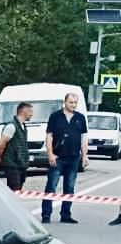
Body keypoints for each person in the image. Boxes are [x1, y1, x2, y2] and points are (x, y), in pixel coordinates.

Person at [42, 91, 87, 225]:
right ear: (65, 102)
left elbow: (84, 138)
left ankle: (66, 215)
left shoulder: (80, 117)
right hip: (57, 157)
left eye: (75, 103)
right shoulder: (55, 116)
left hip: (73, 158)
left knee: (70, 187)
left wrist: (85, 155)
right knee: (51, 186)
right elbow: (49, 136)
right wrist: (50, 153)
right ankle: (46, 215)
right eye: (71, 102)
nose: (73, 105)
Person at [0, 101, 32, 194]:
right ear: (23, 111)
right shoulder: (11, 126)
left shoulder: (23, 126)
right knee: (14, 190)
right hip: (11, 164)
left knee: (17, 191)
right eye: (30, 111)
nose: (32, 114)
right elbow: (1, 144)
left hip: (20, 164)